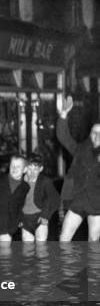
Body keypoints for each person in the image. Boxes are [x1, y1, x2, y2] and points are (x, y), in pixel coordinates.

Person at [56, 96, 100, 241]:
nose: (97, 136)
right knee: (64, 237)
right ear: (89, 134)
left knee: (93, 240)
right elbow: (64, 137)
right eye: (94, 132)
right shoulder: (80, 149)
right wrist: (63, 114)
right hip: (78, 199)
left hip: (97, 203)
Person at [21, 153, 60, 242]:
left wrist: (46, 216)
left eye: (35, 169)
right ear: (25, 168)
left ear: (41, 169)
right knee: (27, 250)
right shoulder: (20, 182)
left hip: (39, 217)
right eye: (30, 168)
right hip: (25, 219)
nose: (32, 172)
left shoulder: (45, 182)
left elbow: (56, 200)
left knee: (41, 247)